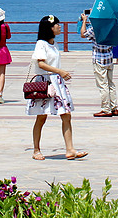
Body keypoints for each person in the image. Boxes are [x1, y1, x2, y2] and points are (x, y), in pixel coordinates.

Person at [27, 15, 85, 160]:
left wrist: (59, 74)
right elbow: (41, 63)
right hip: (45, 82)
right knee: (41, 117)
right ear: (49, 28)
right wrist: (59, 71)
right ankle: (36, 150)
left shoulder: (54, 43)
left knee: (66, 115)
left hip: (57, 82)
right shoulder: (41, 43)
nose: (60, 27)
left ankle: (70, 149)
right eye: (57, 25)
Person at [80, 9, 118, 117]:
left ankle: (106, 109)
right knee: (111, 84)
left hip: (99, 59)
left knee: (103, 85)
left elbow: (83, 34)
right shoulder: (111, 26)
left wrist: (84, 21)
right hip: (109, 57)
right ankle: (114, 107)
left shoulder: (95, 28)